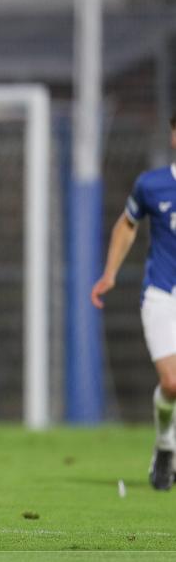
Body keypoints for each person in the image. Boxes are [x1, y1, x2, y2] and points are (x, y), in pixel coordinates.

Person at [91, 114, 176, 491]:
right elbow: (127, 224)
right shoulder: (153, 185)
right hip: (161, 293)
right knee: (172, 383)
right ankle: (164, 445)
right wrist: (110, 273)